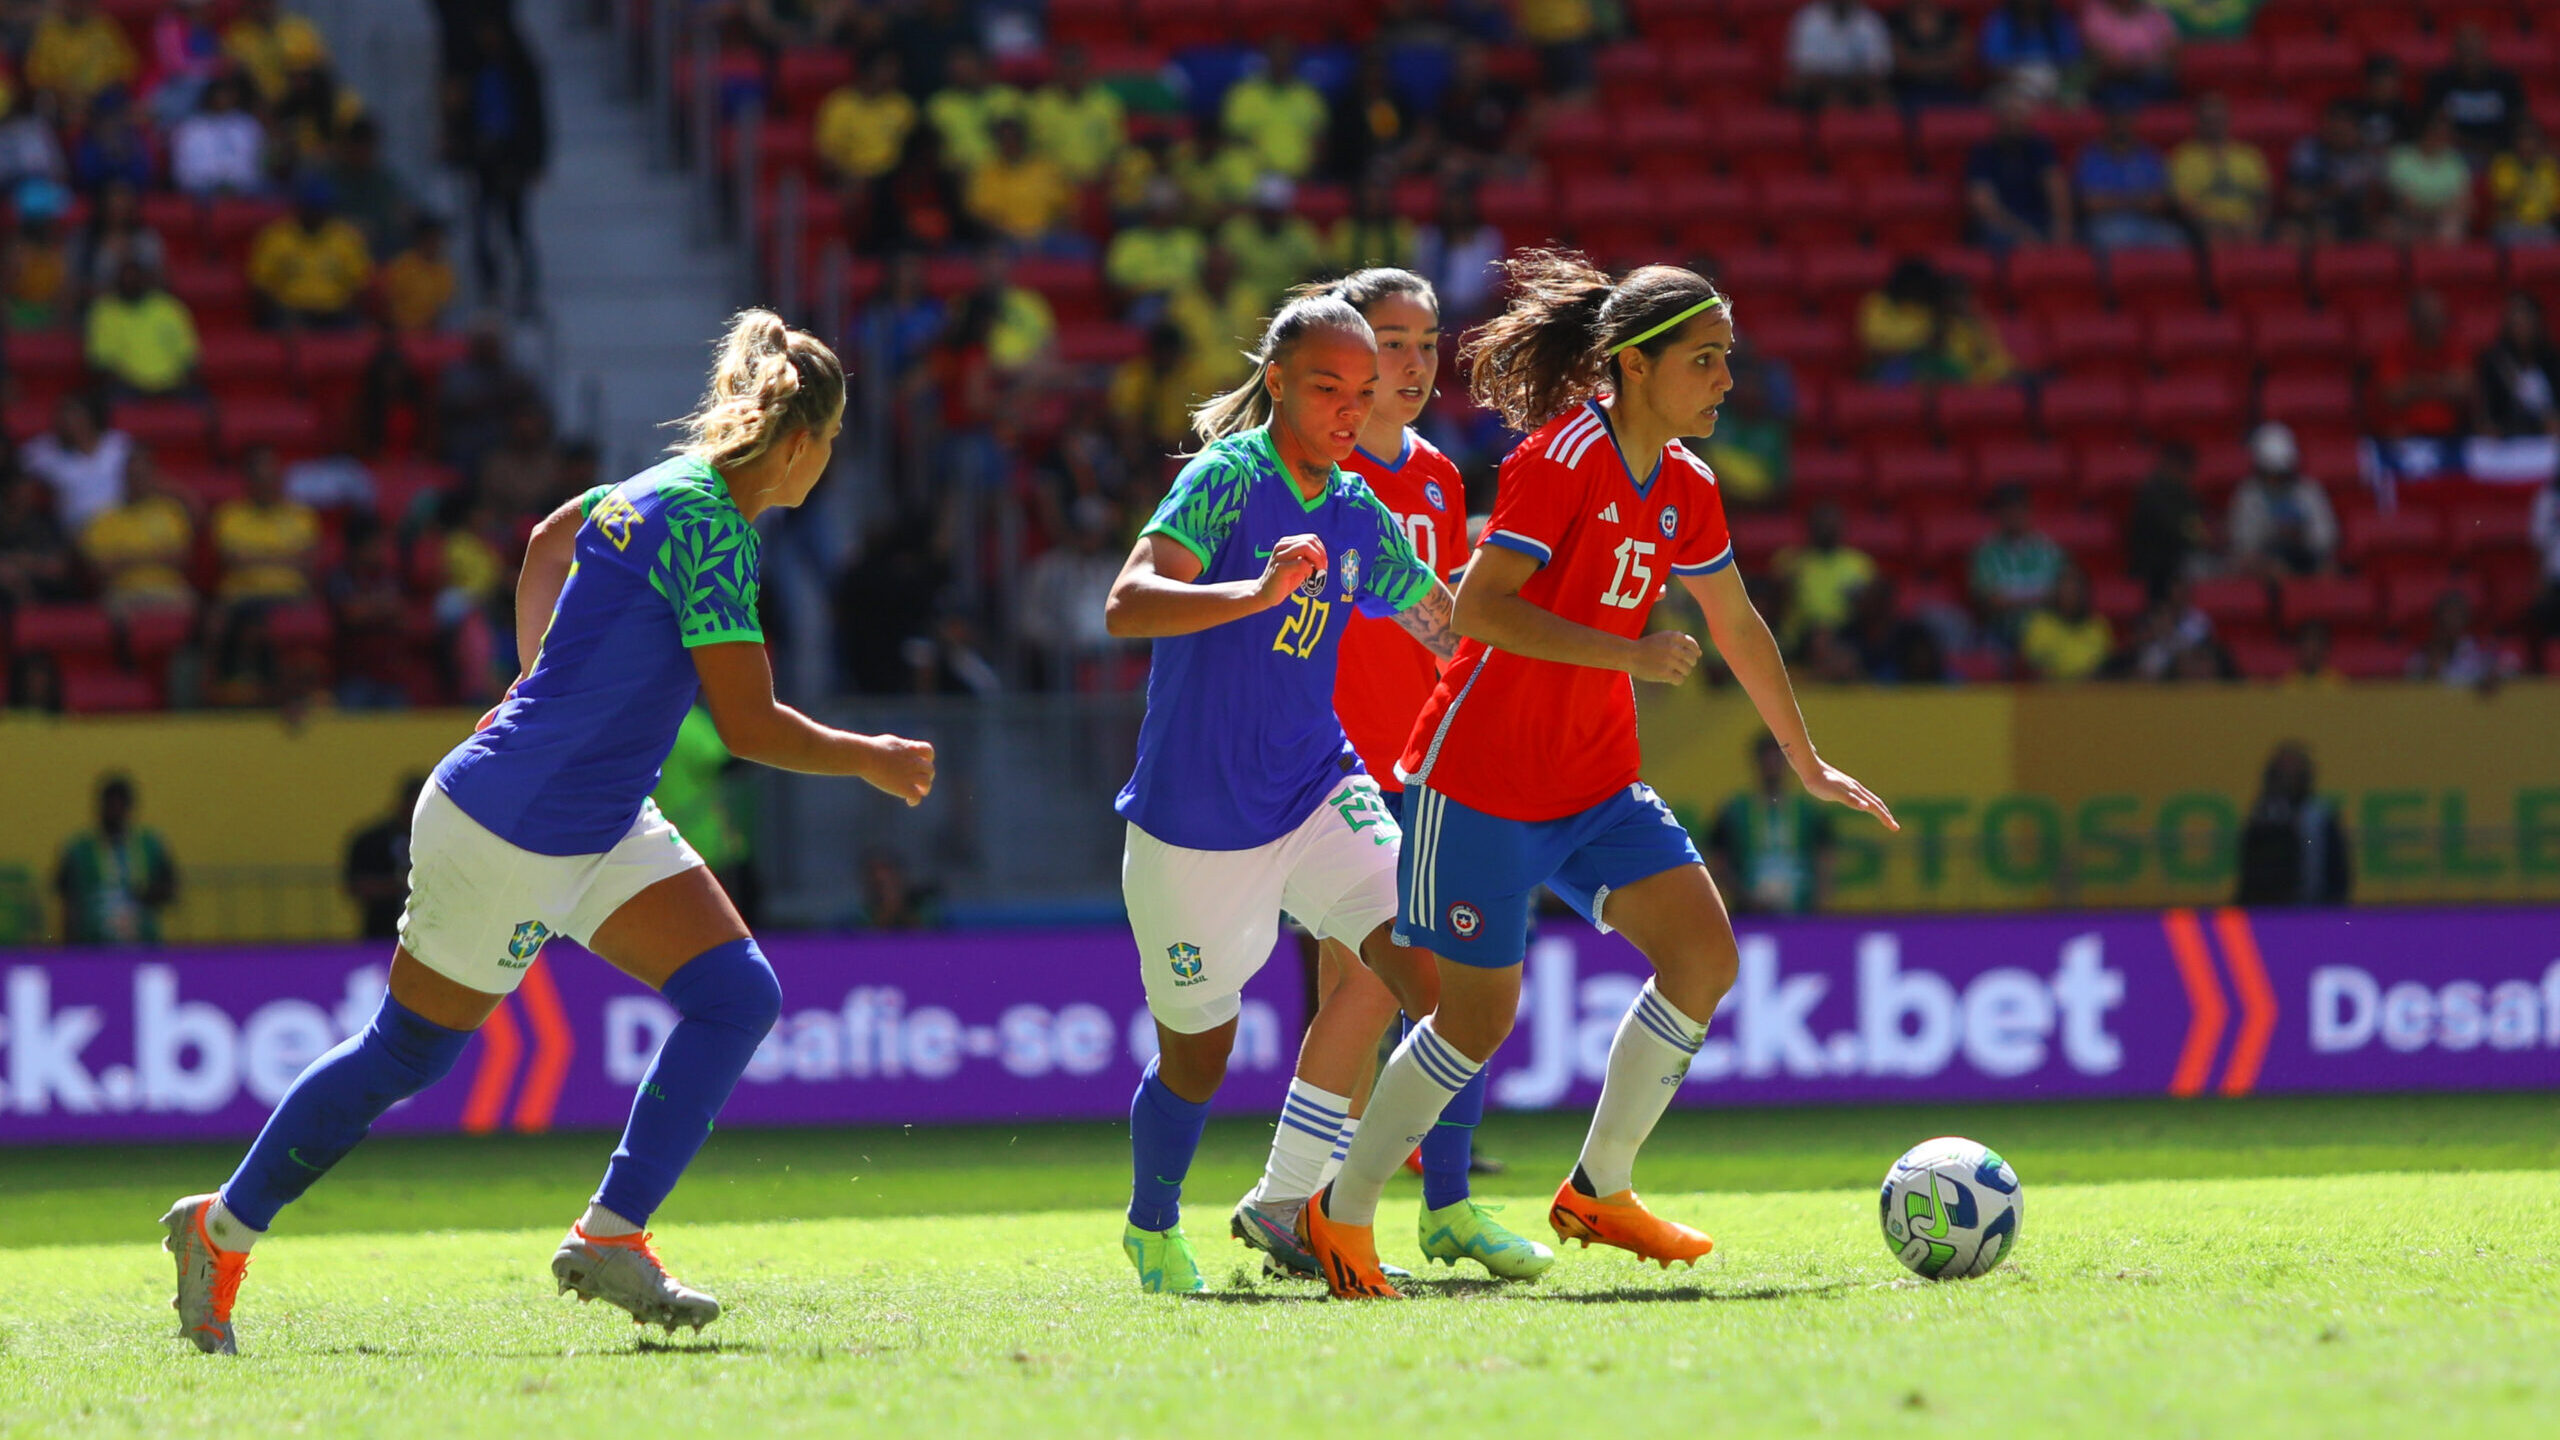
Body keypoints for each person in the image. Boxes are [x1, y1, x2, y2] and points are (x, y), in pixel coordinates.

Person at [158, 310, 935, 1354]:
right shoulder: (712, 528)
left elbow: (542, 542)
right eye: (832, 444)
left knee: (736, 993)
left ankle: (612, 1235)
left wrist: (531, 680)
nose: (828, 463)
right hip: (511, 828)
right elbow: (747, 726)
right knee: (405, 1055)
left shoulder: (655, 487)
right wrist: (870, 755)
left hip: (597, 814)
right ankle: (220, 1229)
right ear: (802, 440)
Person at [1296, 251, 1896, 1299]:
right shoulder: (1560, 457)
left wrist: (1806, 761)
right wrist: (1629, 654)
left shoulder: (1689, 486)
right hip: (1477, 777)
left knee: (1704, 958)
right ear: (1635, 364)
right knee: (1474, 1022)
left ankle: (1597, 1189)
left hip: (1594, 783)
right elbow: (1479, 610)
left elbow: (1739, 627)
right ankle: (1338, 1216)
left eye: (1726, 360)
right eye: (1705, 361)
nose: (1723, 381)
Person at [1100, 291, 1460, 1295]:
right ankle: (1153, 1223)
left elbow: (1442, 624)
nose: (1350, 408)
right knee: (1198, 1060)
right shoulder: (1227, 480)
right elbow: (1127, 602)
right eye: (1325, 388)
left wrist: (1558, 656)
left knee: (1432, 981)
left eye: (1363, 389)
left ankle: (1311, 1207)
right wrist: (1251, 593)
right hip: (1192, 826)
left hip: (1316, 789)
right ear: (1276, 383)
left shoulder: (1356, 509)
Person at [1296, 268, 1548, 1280]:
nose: (1412, 361)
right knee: (1354, 990)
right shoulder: (1314, 465)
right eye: (1390, 341)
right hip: (1332, 766)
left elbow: (1447, 620)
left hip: (1433, 759)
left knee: (1458, 980)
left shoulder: (1442, 477)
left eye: (1425, 341)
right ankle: (1313, 1208)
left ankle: (1445, 1207)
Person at [445, 15, 547, 314]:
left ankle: (525, 288)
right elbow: (461, 114)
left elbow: (535, 118)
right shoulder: (472, 69)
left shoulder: (520, 69)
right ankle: (489, 286)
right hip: (482, 158)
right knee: (481, 225)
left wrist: (536, 160)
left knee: (516, 226)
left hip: (512, 158)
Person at [1706, 735, 1839, 915]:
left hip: (1802, 910)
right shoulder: (1734, 810)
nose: (1772, 767)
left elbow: (1825, 860)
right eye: (1767, 760)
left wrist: (1818, 905)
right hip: (1749, 912)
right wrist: (1742, 898)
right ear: (1757, 763)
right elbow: (1718, 862)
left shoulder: (1809, 811)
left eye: (1777, 759)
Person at [56, 772, 178, 945]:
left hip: (143, 941)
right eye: (110, 806)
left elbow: (171, 887)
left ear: (130, 808)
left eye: (120, 806)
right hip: (93, 943)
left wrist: (145, 896)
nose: (115, 812)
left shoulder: (152, 845)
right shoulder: (78, 849)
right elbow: (67, 902)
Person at [247, 179, 374, 329]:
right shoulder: (276, 237)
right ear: (299, 208)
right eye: (310, 208)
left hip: (335, 314)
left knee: (358, 332)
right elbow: (260, 285)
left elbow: (360, 285)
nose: (314, 214)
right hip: (291, 313)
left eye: (319, 209)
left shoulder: (346, 239)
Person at [2233, 742, 2348, 907]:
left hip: (2317, 905)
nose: (2289, 777)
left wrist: (2335, 902)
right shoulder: (2263, 815)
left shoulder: (2320, 814)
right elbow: (2250, 867)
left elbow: (2337, 865)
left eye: (2294, 771)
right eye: (2284, 772)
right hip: (2272, 907)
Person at [2226, 422, 2336, 579]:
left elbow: (2326, 536)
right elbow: (2243, 542)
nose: (2276, 480)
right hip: (2266, 562)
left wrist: (2301, 535)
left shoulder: (2309, 491)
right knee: (2274, 571)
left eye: (2281, 474)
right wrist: (2273, 533)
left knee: (2328, 572)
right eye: (2271, 474)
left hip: (2307, 558)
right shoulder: (2248, 495)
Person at [1966, 85, 2071, 248]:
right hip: (2003, 225)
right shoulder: (1983, 152)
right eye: (2008, 113)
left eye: (2019, 114)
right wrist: (2022, 233)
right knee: (1996, 236)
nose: (2013, 119)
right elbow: (1984, 205)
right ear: (1997, 117)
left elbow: (2056, 188)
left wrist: (2061, 225)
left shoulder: (2039, 147)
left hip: (2038, 220)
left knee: (2074, 237)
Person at [85, 257, 200, 399]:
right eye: (125, 278)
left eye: (135, 277)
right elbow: (101, 363)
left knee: (202, 401)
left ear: (145, 279)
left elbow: (189, 356)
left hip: (172, 385)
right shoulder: (104, 311)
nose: (130, 282)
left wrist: (175, 382)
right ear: (116, 281)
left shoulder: (169, 308)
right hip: (126, 387)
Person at [2076, 102, 2182, 251]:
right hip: (2106, 224)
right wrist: (2136, 200)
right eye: (2117, 121)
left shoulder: (2149, 157)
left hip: (2148, 223)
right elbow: (2090, 204)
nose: (2122, 127)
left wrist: (2113, 200)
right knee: (2111, 237)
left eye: (2126, 121)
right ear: (2109, 123)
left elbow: (2160, 201)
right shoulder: (2091, 158)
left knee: (2174, 239)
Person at [23, 392, 134, 533]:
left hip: (123, 529)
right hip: (72, 534)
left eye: (72, 413)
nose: (63, 420)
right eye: (60, 414)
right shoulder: (42, 451)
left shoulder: (119, 445)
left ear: (91, 417)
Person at [2371, 290, 2471, 441]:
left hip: (2451, 437)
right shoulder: (2394, 350)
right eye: (2428, 317)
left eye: (2439, 316)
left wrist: (2415, 385)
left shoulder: (2456, 347)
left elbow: (2462, 390)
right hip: (2404, 437)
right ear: (2415, 320)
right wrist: (2442, 384)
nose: (2435, 322)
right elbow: (2393, 396)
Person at [2169, 93, 2270, 243]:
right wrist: (2213, 227)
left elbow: (2264, 198)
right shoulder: (2183, 157)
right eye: (2208, 120)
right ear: (2198, 121)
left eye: (2218, 119)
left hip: (2247, 225)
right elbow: (2183, 205)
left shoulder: (2249, 156)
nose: (2214, 125)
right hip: (2205, 229)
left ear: (2228, 119)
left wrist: (2256, 227)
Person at [1774, 501, 1876, 647]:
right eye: (1821, 524)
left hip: (1846, 636)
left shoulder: (1860, 563)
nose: (1826, 529)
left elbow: (1871, 609)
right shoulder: (1789, 561)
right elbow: (1775, 606)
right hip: (1800, 637)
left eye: (1831, 524)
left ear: (1842, 527)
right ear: (1810, 526)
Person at [1971, 482, 2064, 639]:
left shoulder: (2049, 550)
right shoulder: (1985, 553)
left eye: (2019, 507)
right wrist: (2040, 596)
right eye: (2008, 508)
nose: (2014, 514)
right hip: (2003, 633)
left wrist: (2011, 597)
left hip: (2048, 631)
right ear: (1998, 513)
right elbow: (1992, 601)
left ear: (2028, 510)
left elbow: (2063, 594)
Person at [2283, 102, 2384, 243]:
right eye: (2336, 123)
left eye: (2347, 125)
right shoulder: (2308, 151)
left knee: (2388, 230)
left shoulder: (2367, 159)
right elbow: (2297, 201)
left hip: (2355, 222)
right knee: (2297, 233)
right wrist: (2333, 190)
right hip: (2311, 220)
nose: (2340, 129)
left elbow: (2374, 208)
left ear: (2357, 130)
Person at [2421, 22, 2525, 158]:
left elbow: (2518, 120)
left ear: (2485, 49)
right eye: (2465, 48)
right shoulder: (2439, 82)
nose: (2470, 53)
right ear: (2455, 50)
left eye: (2474, 48)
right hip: (2452, 154)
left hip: (2499, 152)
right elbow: (2432, 125)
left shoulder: (2506, 82)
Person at [344, 774, 428, 940]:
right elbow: (355, 884)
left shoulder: (438, 840)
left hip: (428, 939)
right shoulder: (372, 841)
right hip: (380, 935)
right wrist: (398, 885)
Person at [816, 51, 914, 191]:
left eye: (895, 68)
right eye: (887, 67)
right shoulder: (839, 104)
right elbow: (827, 157)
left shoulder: (902, 106)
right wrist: (850, 175)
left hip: (891, 182)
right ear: (868, 70)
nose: (894, 73)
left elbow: (912, 157)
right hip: (850, 178)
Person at [2474, 292, 2560, 438]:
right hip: (2507, 441)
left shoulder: (2553, 360)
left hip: (2550, 441)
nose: (2521, 328)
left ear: (2537, 323)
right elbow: (2487, 413)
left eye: (2526, 321)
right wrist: (2489, 427)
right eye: (2516, 323)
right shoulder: (2494, 363)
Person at [2386, 110, 2474, 244]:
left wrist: (2440, 216)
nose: (2443, 138)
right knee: (2389, 228)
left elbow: (2465, 203)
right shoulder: (2401, 157)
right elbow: (2405, 203)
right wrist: (2434, 214)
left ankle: (2445, 264)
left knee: (2449, 228)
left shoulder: (2455, 161)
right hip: (2407, 220)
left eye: (2446, 134)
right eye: (2437, 133)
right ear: (2425, 133)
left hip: (2443, 222)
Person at [1787, 0, 1894, 109]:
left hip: (1858, 88)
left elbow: (1879, 68)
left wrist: (1849, 82)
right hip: (1820, 89)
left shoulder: (1869, 21)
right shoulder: (1809, 19)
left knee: (1881, 96)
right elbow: (1804, 68)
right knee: (1802, 89)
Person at [2018, 565, 2110, 680]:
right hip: (2048, 694)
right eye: (2066, 590)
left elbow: (2106, 669)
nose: (2070, 595)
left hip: (2090, 693)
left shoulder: (2099, 626)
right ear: (2056, 593)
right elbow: (2031, 669)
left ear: (2085, 593)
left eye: (2076, 590)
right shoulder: (2040, 624)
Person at [2079, 0, 2175, 109]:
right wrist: (2143, 63)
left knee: (2161, 84)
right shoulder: (2095, 13)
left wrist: (2136, 63)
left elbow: (2170, 55)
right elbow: (2102, 58)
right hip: (2113, 83)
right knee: (2120, 101)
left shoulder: (2155, 13)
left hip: (2155, 82)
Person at [1978, 0, 2080, 102]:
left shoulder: (2056, 20)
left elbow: (2070, 60)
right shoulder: (2001, 20)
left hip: (2053, 84)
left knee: (2074, 101)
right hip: (2012, 85)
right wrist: (2024, 80)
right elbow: (1992, 63)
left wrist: (2052, 81)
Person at [2488, 117, 2560, 244]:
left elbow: (2555, 208)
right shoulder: (2503, 164)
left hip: (2542, 227)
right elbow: (2504, 203)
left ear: (2539, 143)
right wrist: (2526, 179)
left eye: (2531, 139)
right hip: (2512, 225)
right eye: (2523, 139)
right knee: (2508, 236)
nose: (2527, 145)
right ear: (2515, 142)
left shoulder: (2549, 167)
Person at [1888, 0, 1970, 110]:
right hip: (1909, 89)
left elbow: (1961, 57)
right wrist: (1942, 63)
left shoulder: (1952, 20)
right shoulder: (1897, 22)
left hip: (1949, 87)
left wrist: (1921, 64)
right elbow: (1901, 61)